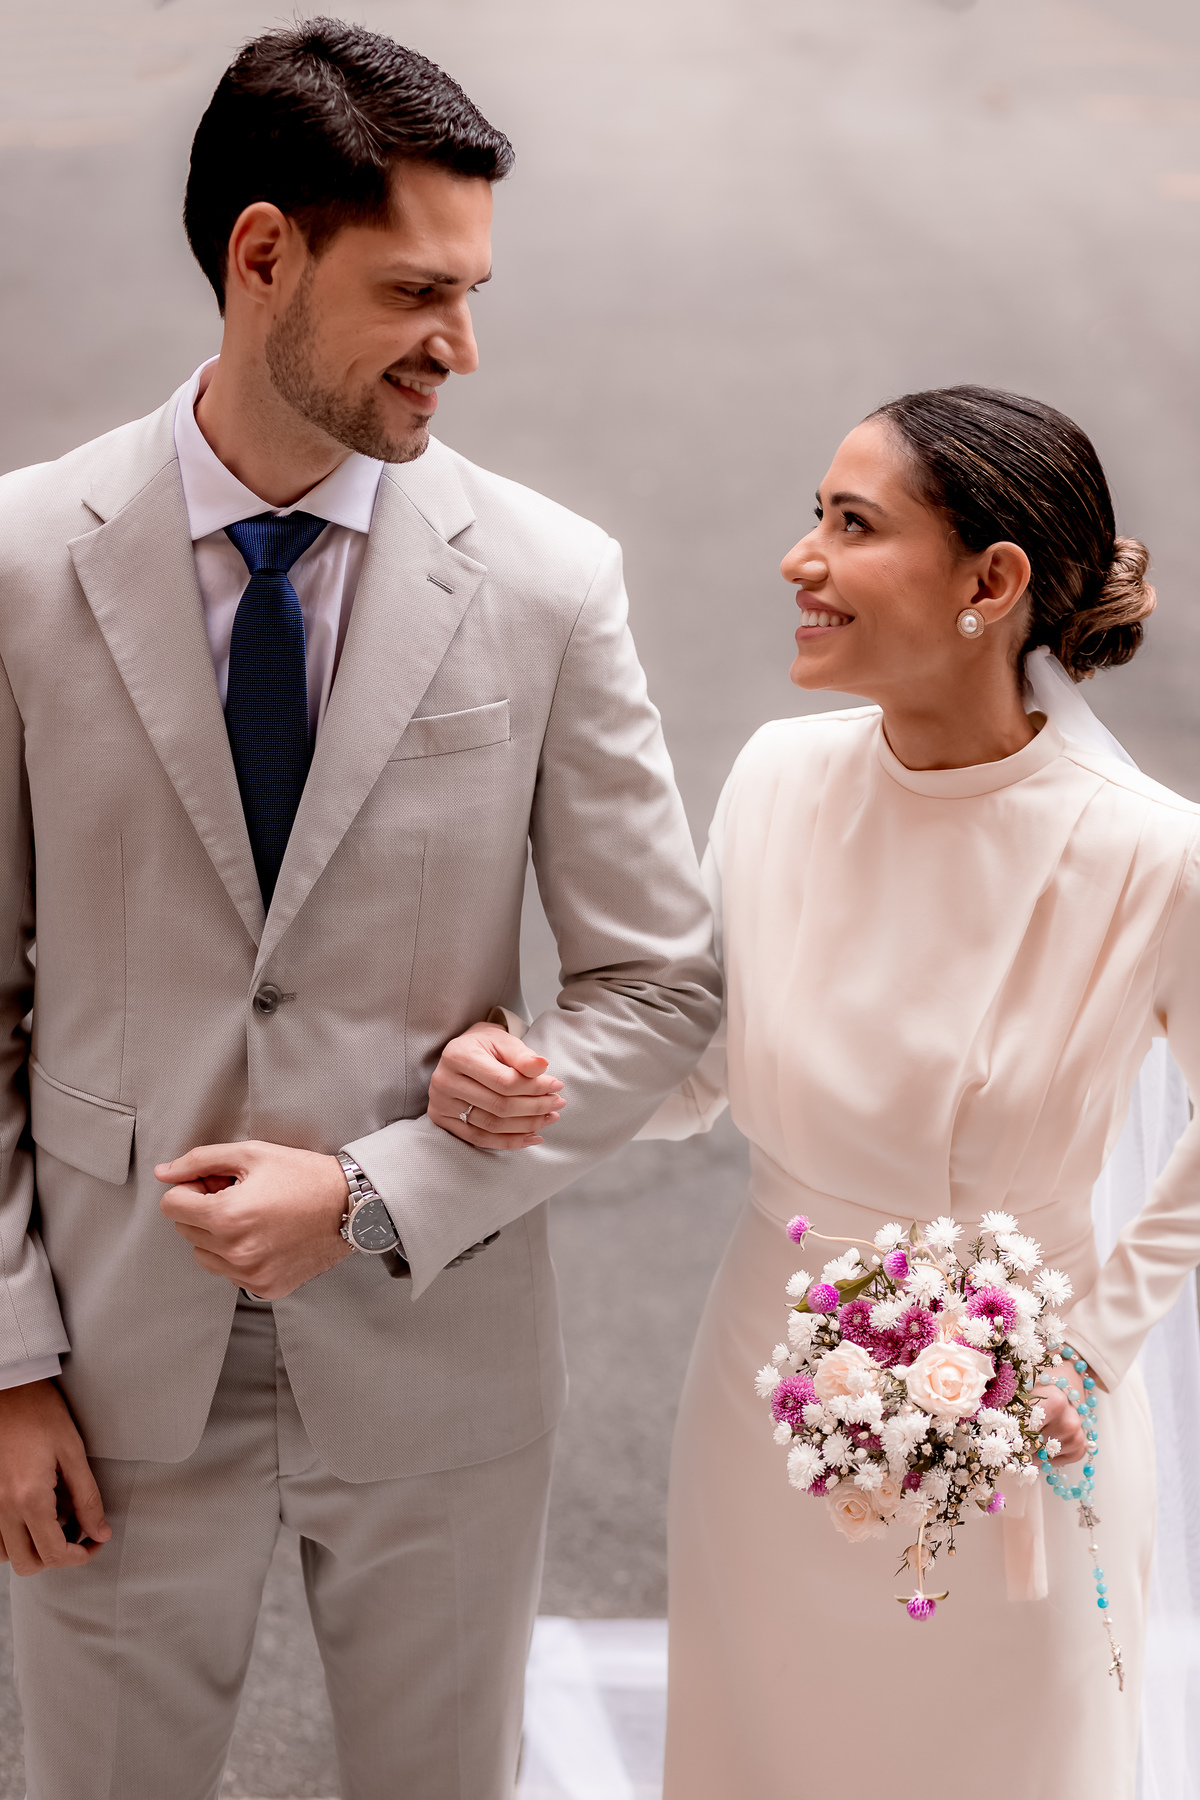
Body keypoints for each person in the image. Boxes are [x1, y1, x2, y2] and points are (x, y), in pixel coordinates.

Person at [0, 20, 720, 1798]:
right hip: (98, 1372)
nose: (459, 350)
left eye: (473, 292)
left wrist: (385, 1188)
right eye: (415, 291)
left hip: (440, 1376)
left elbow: (660, 989)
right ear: (262, 256)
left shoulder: (550, 584)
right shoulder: (17, 568)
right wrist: (8, 1369)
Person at [431, 385, 1200, 1796]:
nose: (803, 560)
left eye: (854, 526)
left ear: (992, 581)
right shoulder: (778, 779)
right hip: (766, 1394)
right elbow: (697, 1067)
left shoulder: (1152, 856)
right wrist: (530, 1073)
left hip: (1030, 1418)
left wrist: (1086, 1346)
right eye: (813, 516)